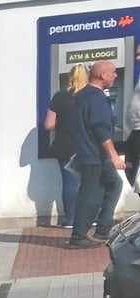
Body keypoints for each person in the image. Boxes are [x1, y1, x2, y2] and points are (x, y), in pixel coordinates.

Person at [69, 59, 125, 250]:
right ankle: (78, 237)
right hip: (94, 155)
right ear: (103, 75)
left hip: (87, 153)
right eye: (113, 72)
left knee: (114, 184)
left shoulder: (81, 96)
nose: (116, 75)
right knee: (90, 195)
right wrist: (114, 155)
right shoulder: (97, 98)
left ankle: (103, 228)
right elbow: (100, 129)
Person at [44, 63, 87, 229]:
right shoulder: (90, 95)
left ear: (69, 76)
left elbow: (49, 125)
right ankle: (89, 217)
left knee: (69, 183)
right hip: (86, 147)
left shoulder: (60, 96)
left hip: (65, 146)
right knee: (89, 183)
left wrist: (63, 123)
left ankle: (70, 219)